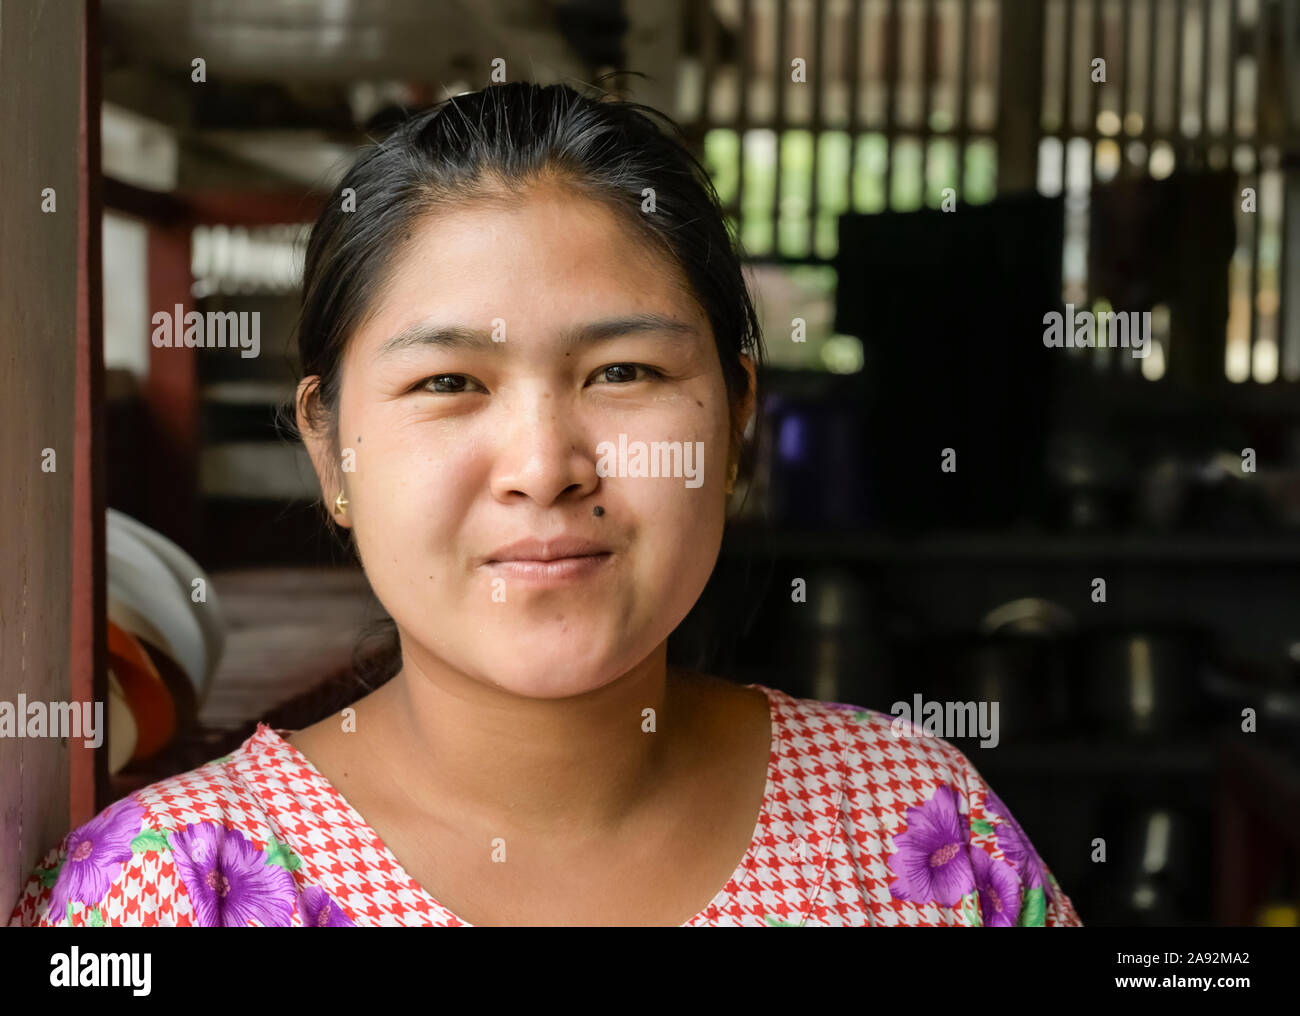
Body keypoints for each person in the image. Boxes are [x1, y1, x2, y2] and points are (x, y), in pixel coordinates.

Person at [9, 80, 1080, 927]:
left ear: (735, 422)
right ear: (333, 450)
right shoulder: (165, 891)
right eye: (448, 383)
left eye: (621, 372)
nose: (544, 466)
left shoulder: (918, 827)